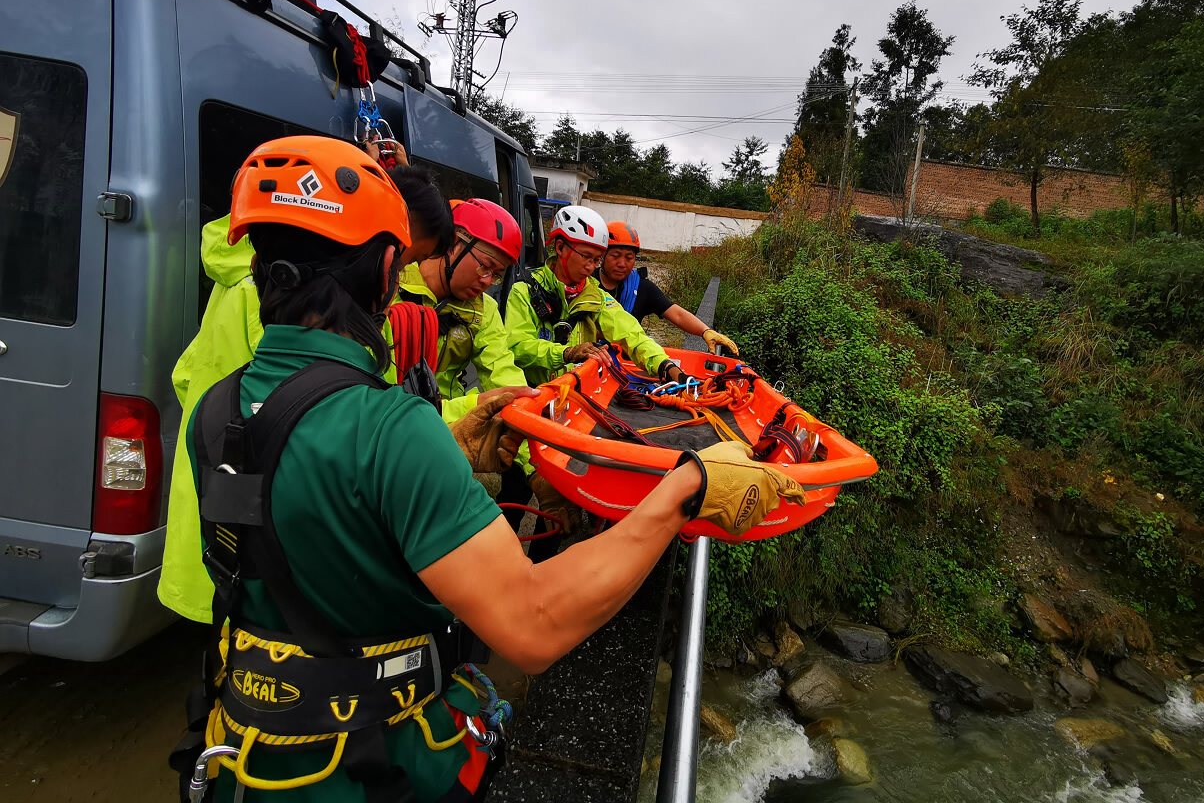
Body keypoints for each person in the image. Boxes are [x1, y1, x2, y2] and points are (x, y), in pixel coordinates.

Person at [177, 134, 804, 801]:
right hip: (373, 766)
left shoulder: (215, 409)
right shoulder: (390, 427)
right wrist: (688, 488)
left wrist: (449, 445)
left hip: (246, 758)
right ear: (391, 265)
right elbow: (532, 624)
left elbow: (311, 522)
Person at [158, 141, 470, 625]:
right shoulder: (311, 307)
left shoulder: (261, 282)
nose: (399, 279)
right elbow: (339, 421)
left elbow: (189, 379)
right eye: (405, 260)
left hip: (220, 522)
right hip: (257, 543)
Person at [503, 205, 690, 547]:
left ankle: (542, 574)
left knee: (562, 503)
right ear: (559, 247)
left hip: (571, 413)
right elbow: (515, 347)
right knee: (514, 488)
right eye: (586, 257)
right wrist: (565, 352)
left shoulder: (596, 298)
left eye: (596, 259)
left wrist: (665, 366)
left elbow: (632, 334)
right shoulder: (525, 292)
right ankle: (496, 560)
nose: (592, 267)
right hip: (529, 408)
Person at [398, 197, 528, 425]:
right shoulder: (393, 289)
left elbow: (500, 368)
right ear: (452, 244)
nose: (488, 281)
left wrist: (526, 414)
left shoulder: (484, 309)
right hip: (395, 426)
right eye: (485, 266)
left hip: (449, 425)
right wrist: (475, 406)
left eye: (497, 274)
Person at [596, 221, 739, 356]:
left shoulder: (641, 287)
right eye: (615, 256)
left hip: (623, 363)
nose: (622, 264)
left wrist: (705, 331)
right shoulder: (587, 282)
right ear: (602, 255)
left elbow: (677, 314)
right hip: (586, 360)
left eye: (629, 258)